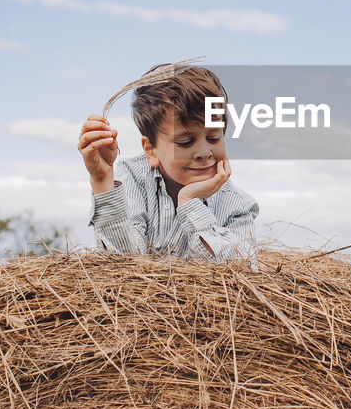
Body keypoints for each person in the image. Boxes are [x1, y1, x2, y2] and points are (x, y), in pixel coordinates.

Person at [77, 64, 259, 261]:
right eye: (185, 142)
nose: (204, 153)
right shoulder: (133, 177)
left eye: (214, 138)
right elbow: (123, 262)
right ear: (151, 150)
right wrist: (102, 181)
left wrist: (190, 202)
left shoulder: (238, 206)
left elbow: (241, 269)